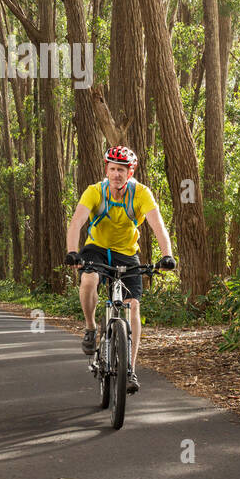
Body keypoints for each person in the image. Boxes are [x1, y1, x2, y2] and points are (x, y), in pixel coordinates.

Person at [64, 145, 175, 393]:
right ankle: (91, 328)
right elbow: (76, 222)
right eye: (112, 169)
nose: (116, 174)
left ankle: (130, 370)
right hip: (97, 248)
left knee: (133, 306)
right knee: (89, 281)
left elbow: (158, 226)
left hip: (127, 253)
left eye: (121, 170)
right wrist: (73, 251)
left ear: (130, 172)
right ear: (107, 169)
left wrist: (167, 255)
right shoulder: (94, 192)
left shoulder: (141, 194)